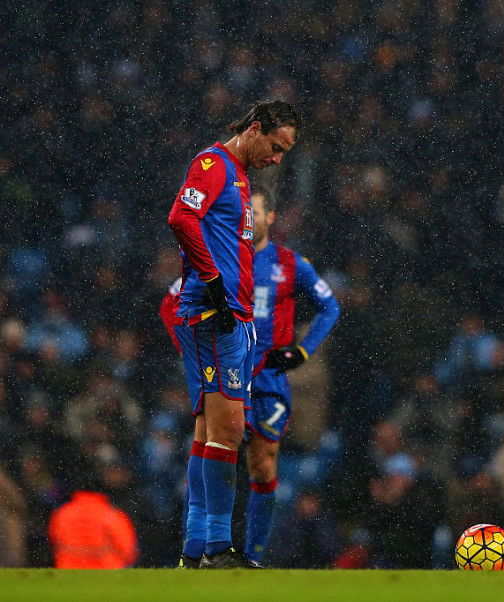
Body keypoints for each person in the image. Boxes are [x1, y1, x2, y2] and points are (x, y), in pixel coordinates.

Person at [167, 100, 300, 569]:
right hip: (214, 315)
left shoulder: (241, 178)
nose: (278, 158)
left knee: (209, 432)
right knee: (228, 430)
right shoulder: (213, 164)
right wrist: (214, 286)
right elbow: (181, 218)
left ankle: (193, 550)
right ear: (256, 129)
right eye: (276, 146)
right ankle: (218, 550)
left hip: (234, 316)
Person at [242, 187, 340, 564]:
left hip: (268, 377)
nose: (248, 221)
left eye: (255, 213)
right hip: (229, 375)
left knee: (263, 461)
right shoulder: (220, 260)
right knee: (213, 458)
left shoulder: (290, 263)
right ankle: (206, 548)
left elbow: (329, 308)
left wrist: (302, 351)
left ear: (271, 218)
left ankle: (253, 558)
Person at [47, 478, 138, 569]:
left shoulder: (62, 514)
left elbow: (54, 541)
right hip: (106, 575)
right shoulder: (111, 514)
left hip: (68, 573)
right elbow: (128, 551)